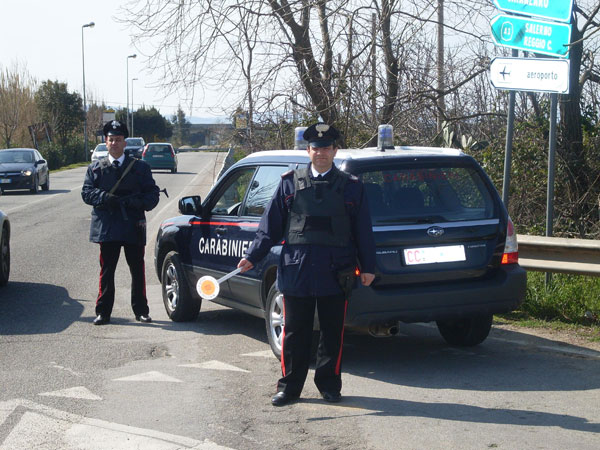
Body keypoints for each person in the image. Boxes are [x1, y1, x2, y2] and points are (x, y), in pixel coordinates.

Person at [237, 122, 376, 406]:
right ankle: (289, 388)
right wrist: (252, 256)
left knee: (332, 332)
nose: (321, 153)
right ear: (308, 150)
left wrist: (369, 267)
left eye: (326, 148)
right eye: (315, 148)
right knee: (294, 332)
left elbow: (363, 230)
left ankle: (329, 385)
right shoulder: (289, 183)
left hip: (336, 271)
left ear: (335, 150)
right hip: (297, 269)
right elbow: (270, 227)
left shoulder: (352, 188)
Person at [82, 120, 160, 325]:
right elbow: (87, 193)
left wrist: (136, 202)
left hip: (133, 225)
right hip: (107, 227)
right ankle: (103, 312)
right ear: (105, 143)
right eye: (110, 140)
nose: (114, 143)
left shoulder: (140, 168)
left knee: (137, 270)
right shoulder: (96, 168)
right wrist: (104, 198)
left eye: (118, 140)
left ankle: (141, 311)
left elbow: (152, 195)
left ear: (125, 143)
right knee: (107, 271)